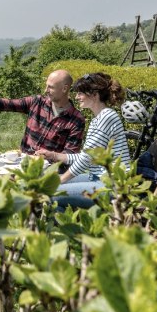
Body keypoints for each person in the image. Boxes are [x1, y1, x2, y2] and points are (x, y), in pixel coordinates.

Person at [39, 72, 130, 210]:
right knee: (50, 183)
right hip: (98, 178)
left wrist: (60, 180)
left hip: (113, 185)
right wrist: (54, 155)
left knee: (53, 192)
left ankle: (67, 230)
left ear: (94, 94)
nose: (76, 97)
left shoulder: (107, 117)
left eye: (80, 93)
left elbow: (86, 159)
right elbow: (87, 155)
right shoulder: (98, 119)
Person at [0, 69, 85, 157]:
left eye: (50, 87)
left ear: (64, 88)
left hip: (48, 173)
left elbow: (69, 156)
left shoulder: (76, 120)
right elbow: (7, 104)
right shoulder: (37, 102)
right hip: (22, 162)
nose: (46, 90)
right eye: (46, 86)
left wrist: (47, 158)